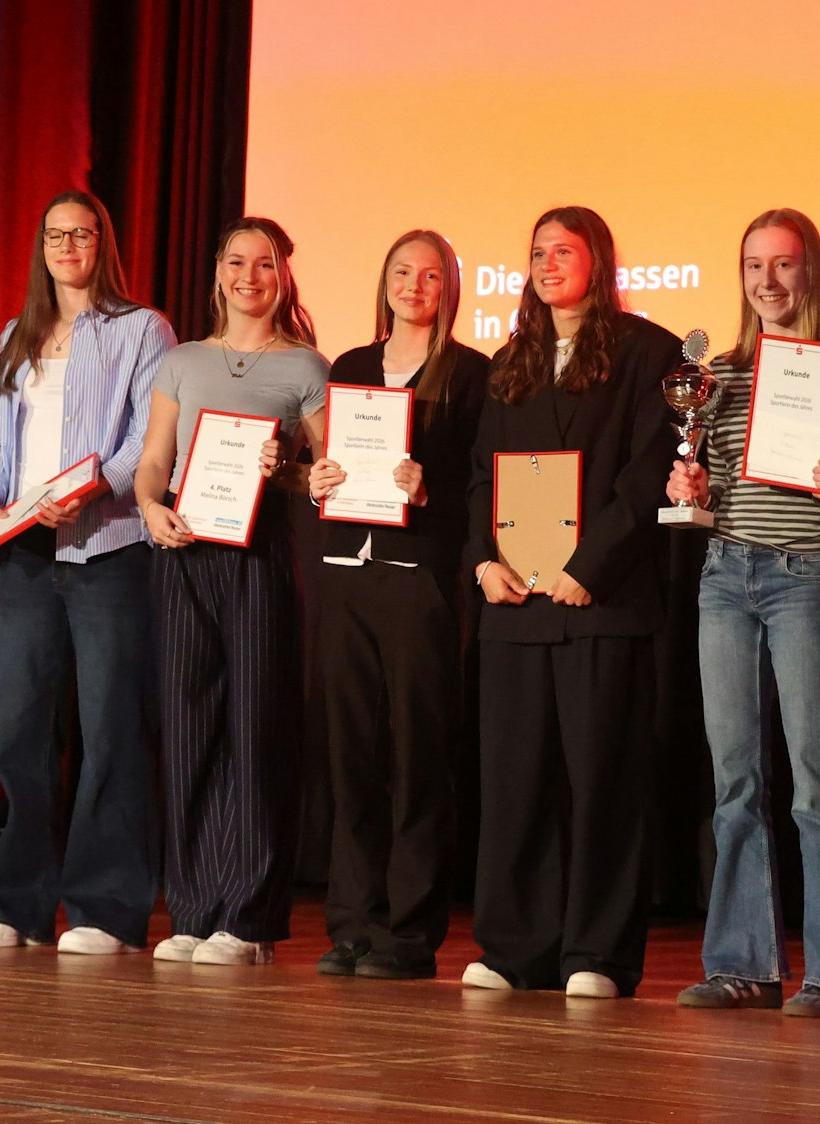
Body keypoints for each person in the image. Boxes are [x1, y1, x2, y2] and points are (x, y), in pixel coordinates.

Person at [666, 210, 820, 1016]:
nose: (768, 281)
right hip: (725, 575)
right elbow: (716, 482)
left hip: (807, 579)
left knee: (817, 779)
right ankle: (743, 965)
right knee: (736, 778)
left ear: (813, 272)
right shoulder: (717, 375)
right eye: (753, 265)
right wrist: (691, 491)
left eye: (785, 265)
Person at [461, 206, 681, 1000]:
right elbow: (483, 478)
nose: (548, 264)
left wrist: (591, 564)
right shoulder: (510, 359)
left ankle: (597, 954)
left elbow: (647, 472)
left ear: (600, 260)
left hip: (601, 602)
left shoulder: (645, 352)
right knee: (516, 783)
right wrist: (483, 561)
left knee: (603, 785)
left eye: (565, 250)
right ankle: (515, 946)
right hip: (515, 606)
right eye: (536, 253)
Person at [0, 191, 175, 954]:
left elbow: (147, 439)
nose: (67, 246)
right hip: (23, 552)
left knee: (110, 729)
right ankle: (15, 905)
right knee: (19, 731)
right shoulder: (15, 335)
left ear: (101, 243)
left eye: (81, 234)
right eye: (54, 234)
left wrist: (83, 494)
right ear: (40, 247)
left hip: (107, 547)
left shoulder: (140, 329)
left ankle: (103, 909)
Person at [133, 216, 328, 967]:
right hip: (184, 552)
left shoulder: (305, 367)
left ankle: (248, 920)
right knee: (188, 732)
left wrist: (288, 469)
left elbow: (327, 477)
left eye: (266, 263)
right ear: (218, 272)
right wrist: (152, 508)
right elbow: (154, 461)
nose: (250, 276)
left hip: (258, 555)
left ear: (283, 276)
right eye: (237, 262)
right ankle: (191, 908)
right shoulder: (181, 360)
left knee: (255, 731)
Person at [306, 230, 488, 980]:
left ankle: (409, 933)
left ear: (449, 287)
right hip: (346, 574)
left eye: (430, 276)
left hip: (418, 579)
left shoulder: (472, 373)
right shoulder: (350, 367)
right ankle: (353, 923)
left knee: (417, 754)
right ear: (383, 283)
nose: (414, 286)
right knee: (351, 755)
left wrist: (429, 490)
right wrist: (318, 481)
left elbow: (481, 487)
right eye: (401, 273)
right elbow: (331, 465)